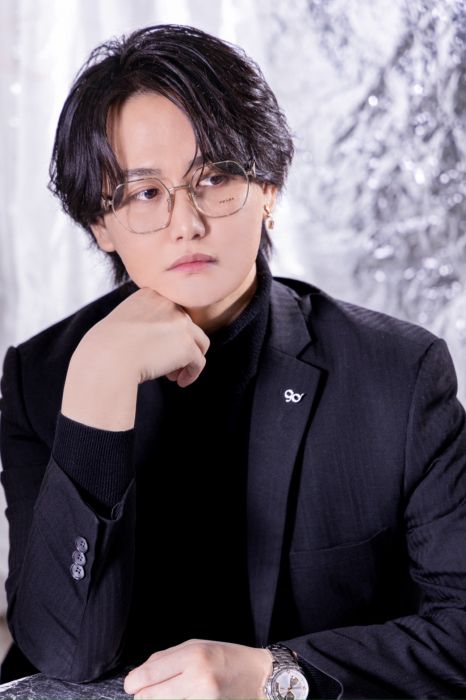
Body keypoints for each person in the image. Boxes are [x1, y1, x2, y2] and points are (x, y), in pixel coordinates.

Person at [0, 23, 465, 700]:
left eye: (214, 178)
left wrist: (276, 673)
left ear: (268, 189)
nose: (186, 223)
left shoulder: (399, 374)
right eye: (144, 193)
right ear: (100, 225)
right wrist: (98, 387)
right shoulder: (42, 376)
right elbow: (61, 655)